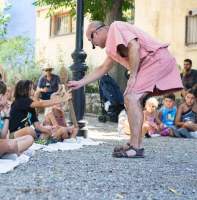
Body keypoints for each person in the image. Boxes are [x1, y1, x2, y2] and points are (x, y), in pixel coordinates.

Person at [68, 21, 183, 158]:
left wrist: (132, 77)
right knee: (129, 98)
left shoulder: (116, 27)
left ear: (96, 32)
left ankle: (137, 147)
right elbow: (103, 68)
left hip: (156, 59)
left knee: (131, 97)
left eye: (91, 40)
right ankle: (134, 143)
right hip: (151, 62)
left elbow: (134, 46)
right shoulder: (113, 49)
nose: (93, 45)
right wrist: (80, 83)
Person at [9, 79, 72, 145]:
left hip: (26, 135)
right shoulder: (21, 101)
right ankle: (37, 140)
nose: (33, 91)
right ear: (21, 91)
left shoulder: (31, 107)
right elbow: (42, 104)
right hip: (13, 135)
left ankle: (40, 140)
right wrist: (62, 100)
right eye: (30, 89)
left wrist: (50, 130)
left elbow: (38, 127)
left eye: (33, 88)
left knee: (48, 127)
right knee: (29, 130)